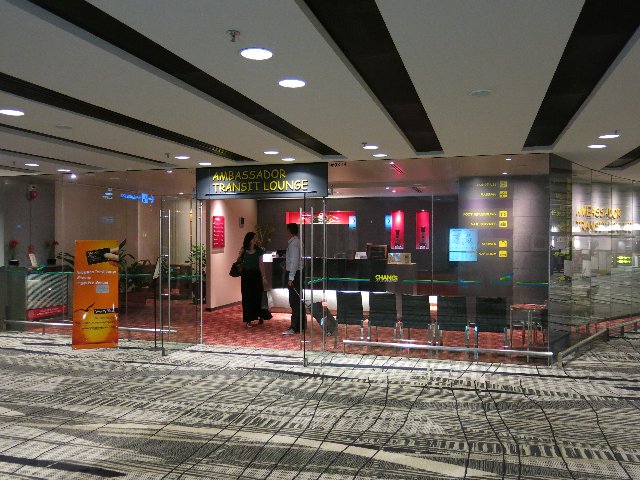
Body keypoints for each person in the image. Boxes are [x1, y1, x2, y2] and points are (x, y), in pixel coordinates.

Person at [238, 232, 268, 328]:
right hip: (246, 276)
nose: (255, 240)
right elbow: (238, 261)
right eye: (254, 238)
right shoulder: (243, 250)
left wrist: (264, 277)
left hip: (256, 276)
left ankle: (260, 316)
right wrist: (240, 255)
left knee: (257, 297)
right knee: (247, 297)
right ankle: (248, 319)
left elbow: (261, 264)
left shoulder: (259, 250)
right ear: (249, 240)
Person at [282, 222, 305, 335]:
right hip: (297, 273)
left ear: (289, 231)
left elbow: (295, 262)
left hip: (295, 275)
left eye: (287, 230)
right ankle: (301, 325)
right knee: (298, 300)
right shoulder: (297, 242)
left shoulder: (294, 243)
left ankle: (294, 326)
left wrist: (291, 277)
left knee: (294, 301)